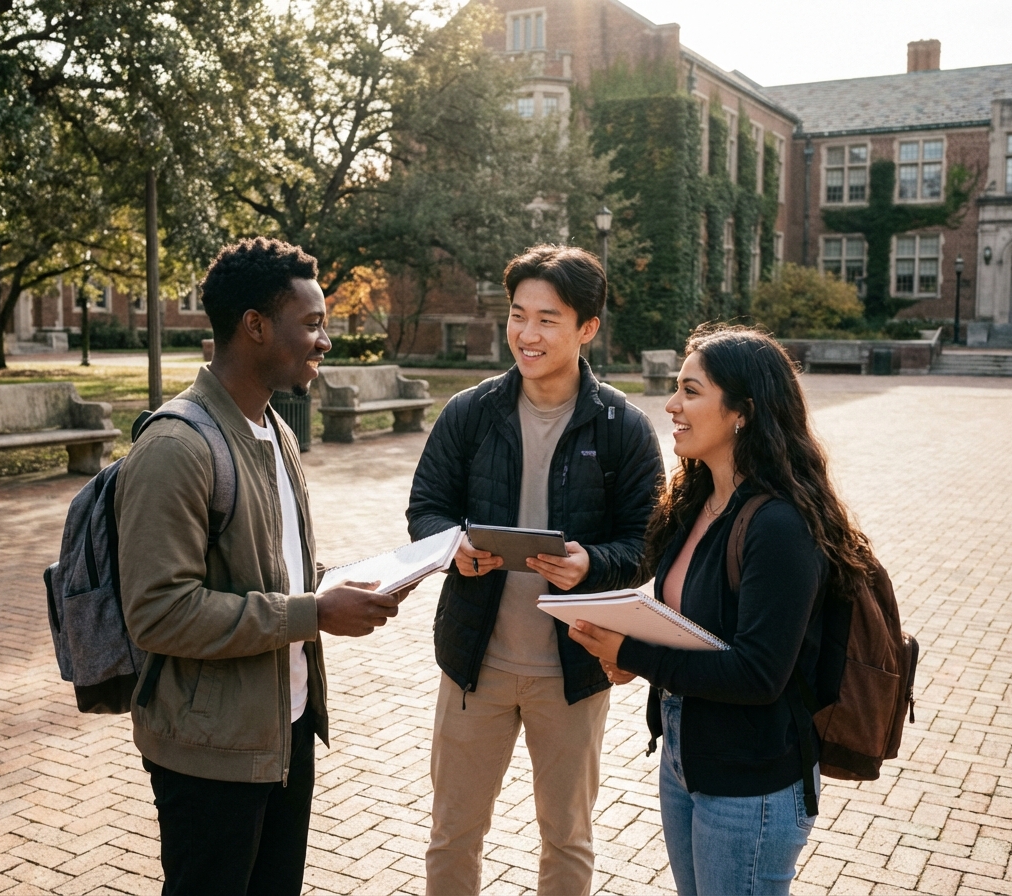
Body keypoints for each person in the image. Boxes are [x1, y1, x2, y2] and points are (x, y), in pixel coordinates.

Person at [115, 237, 401, 896]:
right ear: (255, 326)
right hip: (210, 752)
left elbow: (269, 567)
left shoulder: (277, 431)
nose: (325, 340)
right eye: (312, 323)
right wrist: (312, 612)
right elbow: (158, 612)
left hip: (284, 730)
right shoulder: (175, 448)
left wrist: (339, 584)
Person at [569, 325, 875, 895]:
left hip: (753, 778)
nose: (671, 405)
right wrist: (634, 657)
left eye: (691, 391)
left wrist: (632, 650)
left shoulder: (781, 526)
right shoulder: (695, 501)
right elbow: (691, 630)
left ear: (743, 412)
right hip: (686, 759)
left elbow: (759, 674)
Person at [406, 244, 665, 896]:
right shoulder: (470, 413)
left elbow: (649, 544)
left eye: (548, 319)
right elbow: (427, 508)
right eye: (518, 315)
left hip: (574, 670)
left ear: (587, 329)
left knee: (567, 839)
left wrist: (593, 563)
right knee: (453, 833)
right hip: (474, 662)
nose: (527, 334)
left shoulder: (623, 429)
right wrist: (452, 545)